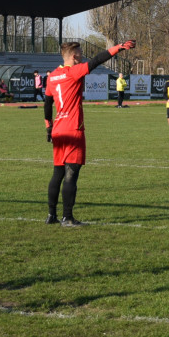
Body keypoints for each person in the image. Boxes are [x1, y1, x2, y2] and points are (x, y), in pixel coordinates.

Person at [43, 38, 135, 228]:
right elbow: (97, 61)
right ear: (74, 56)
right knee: (71, 174)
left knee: (57, 173)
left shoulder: (52, 76)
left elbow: (47, 103)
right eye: (80, 53)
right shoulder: (73, 72)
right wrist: (118, 48)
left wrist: (48, 126)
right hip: (73, 128)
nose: (83, 56)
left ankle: (51, 215)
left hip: (58, 129)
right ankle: (67, 218)